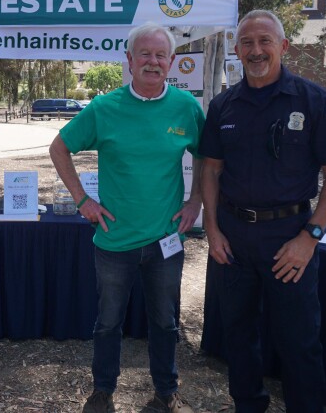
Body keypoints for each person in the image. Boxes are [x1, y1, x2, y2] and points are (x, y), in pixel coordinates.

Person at [199, 10, 326, 413]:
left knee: (298, 340)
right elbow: (210, 170)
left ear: (283, 46)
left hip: (290, 238)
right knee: (238, 334)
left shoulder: (315, 101)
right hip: (232, 238)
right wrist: (212, 229)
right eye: (247, 43)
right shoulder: (223, 106)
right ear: (236, 51)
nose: (256, 50)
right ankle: (248, 405)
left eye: (265, 41)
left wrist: (310, 237)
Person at [49, 23, 204, 413]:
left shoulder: (186, 107)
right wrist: (82, 200)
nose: (153, 62)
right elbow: (59, 147)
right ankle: (102, 391)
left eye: (160, 55)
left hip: (166, 240)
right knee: (108, 323)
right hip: (114, 241)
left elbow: (206, 156)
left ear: (171, 61)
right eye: (145, 54)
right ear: (129, 60)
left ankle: (166, 393)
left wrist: (195, 201)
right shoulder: (105, 108)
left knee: (165, 323)